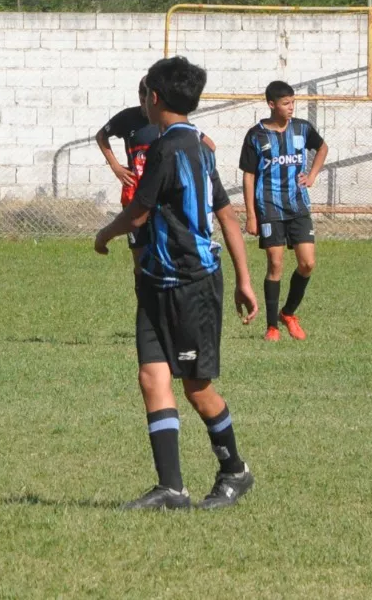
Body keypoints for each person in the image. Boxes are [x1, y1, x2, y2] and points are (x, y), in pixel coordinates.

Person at [95, 56, 259, 511]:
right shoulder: (196, 145)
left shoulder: (173, 148)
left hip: (192, 283)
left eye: (145, 91)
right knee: (152, 376)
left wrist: (104, 234)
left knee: (196, 387)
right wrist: (245, 278)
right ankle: (172, 487)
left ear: (154, 98)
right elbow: (226, 213)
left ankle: (235, 470)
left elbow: (141, 211)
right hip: (156, 279)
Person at [239, 81, 329, 341]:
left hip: (298, 204)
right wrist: (251, 215)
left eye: (293, 102)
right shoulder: (256, 135)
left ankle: (288, 313)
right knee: (275, 264)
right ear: (271, 105)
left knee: (308, 263)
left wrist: (312, 175)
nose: (291, 107)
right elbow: (249, 176)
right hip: (269, 206)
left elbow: (322, 148)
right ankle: (272, 327)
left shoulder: (302, 128)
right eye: (286, 103)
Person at [96, 77, 217, 266]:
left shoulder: (167, 121)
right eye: (143, 100)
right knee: (140, 257)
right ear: (140, 97)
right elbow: (101, 136)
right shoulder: (127, 118)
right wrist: (116, 167)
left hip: (164, 196)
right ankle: (142, 291)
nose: (147, 106)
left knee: (165, 251)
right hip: (137, 194)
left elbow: (209, 145)